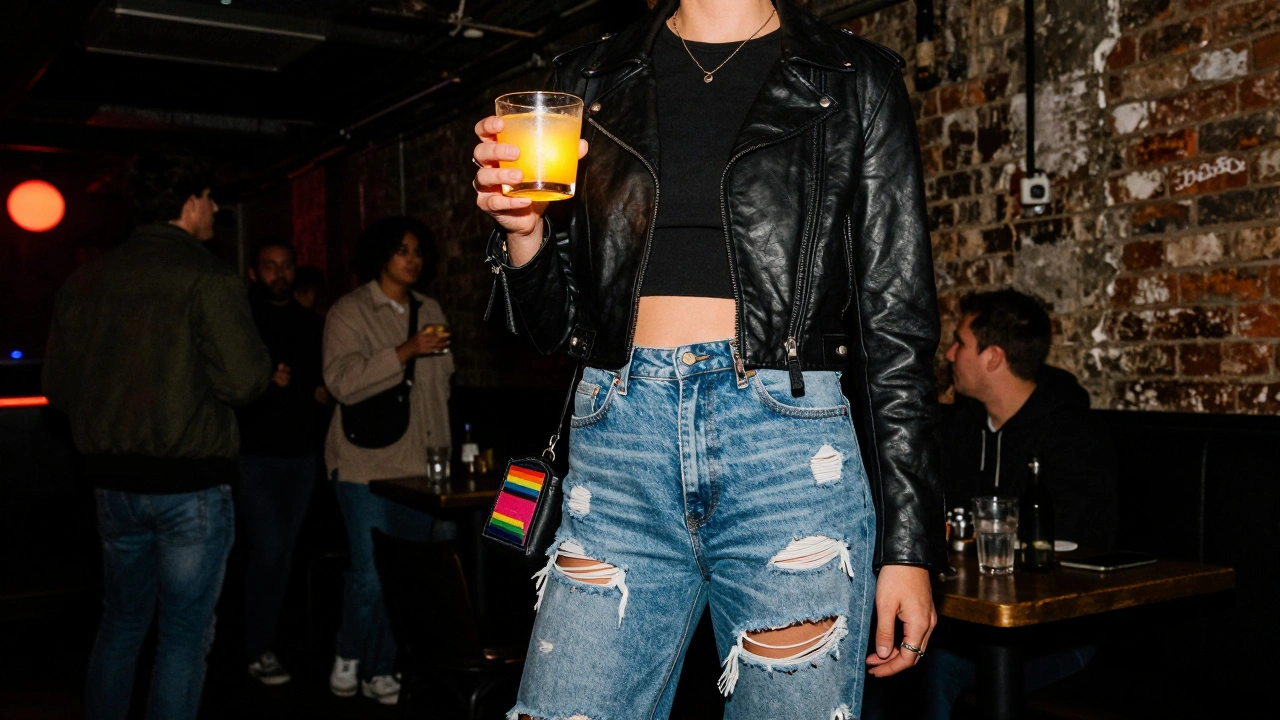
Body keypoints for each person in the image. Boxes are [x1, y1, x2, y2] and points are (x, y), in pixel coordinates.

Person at [472, 0, 945, 717]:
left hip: (789, 453)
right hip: (618, 437)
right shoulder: (591, 77)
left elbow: (897, 323)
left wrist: (909, 544)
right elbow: (554, 332)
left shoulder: (854, 76)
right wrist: (524, 231)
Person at [42, 152, 271, 720]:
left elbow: (58, 389)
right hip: (189, 487)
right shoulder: (206, 275)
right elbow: (245, 381)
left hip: (111, 487)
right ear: (190, 201)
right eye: (211, 197)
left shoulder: (85, 279)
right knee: (183, 637)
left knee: (120, 624)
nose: (216, 208)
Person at [866, 288, 1119, 720]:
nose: (949, 354)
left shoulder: (1074, 435)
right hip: (969, 626)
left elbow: (1070, 546)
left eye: (960, 343)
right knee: (882, 661)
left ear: (993, 357)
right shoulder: (961, 427)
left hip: (1061, 636)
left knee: (932, 667)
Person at [322, 216, 453, 705]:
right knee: (369, 574)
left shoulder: (431, 308)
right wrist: (404, 351)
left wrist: (442, 461)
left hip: (420, 467)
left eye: (418, 250)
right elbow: (340, 381)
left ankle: (381, 667)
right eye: (402, 249)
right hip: (363, 465)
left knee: (404, 576)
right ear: (380, 254)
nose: (413, 259)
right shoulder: (350, 311)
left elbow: (439, 389)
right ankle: (348, 654)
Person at [235, 240, 327, 686]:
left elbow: (323, 382)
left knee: (283, 553)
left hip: (302, 454)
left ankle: (269, 640)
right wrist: (262, 378)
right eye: (269, 266)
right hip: (253, 455)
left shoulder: (313, 324)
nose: (279, 273)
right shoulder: (241, 322)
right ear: (254, 272)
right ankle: (257, 647)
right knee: (269, 549)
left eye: (286, 265)